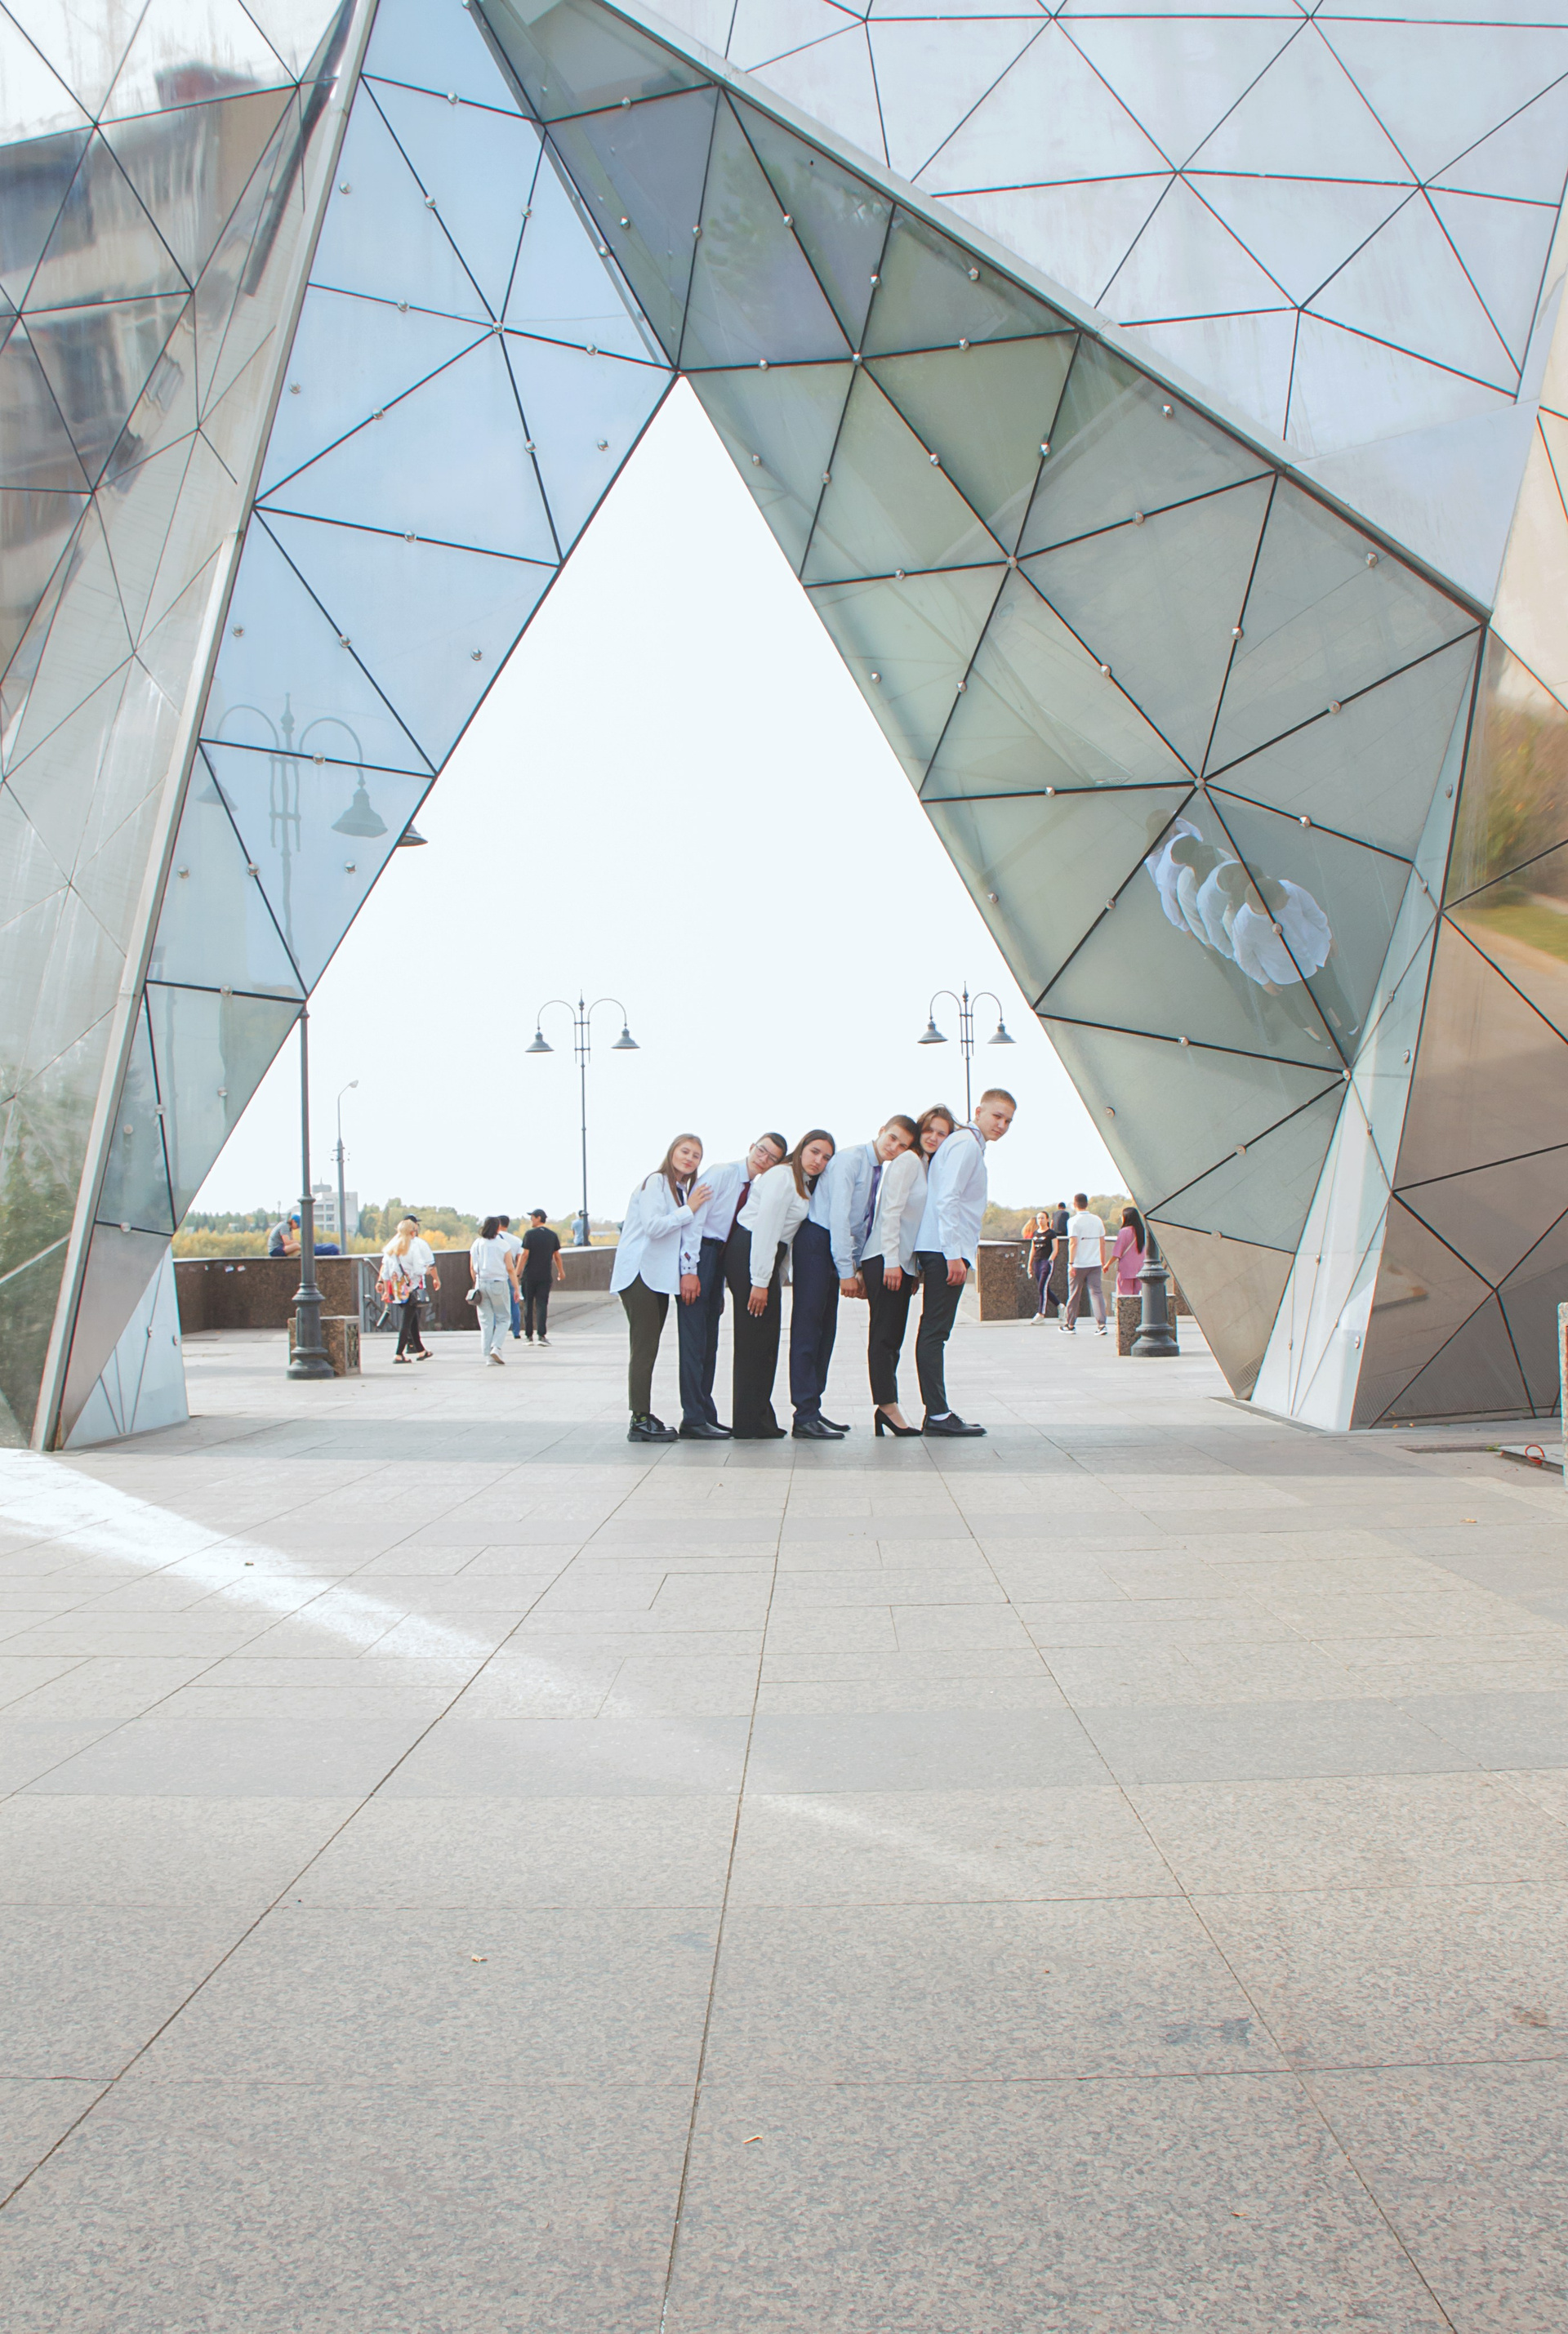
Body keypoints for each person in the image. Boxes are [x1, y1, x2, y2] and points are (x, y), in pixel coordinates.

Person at [790, 1115, 916, 1440]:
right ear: (881, 1131)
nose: (895, 1147)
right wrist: (847, 1271)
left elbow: (861, 1222)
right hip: (817, 1241)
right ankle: (804, 1415)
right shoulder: (850, 1160)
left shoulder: (877, 1169)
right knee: (808, 1329)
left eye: (903, 1146)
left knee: (826, 1331)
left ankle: (813, 1409)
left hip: (834, 1246)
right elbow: (839, 1217)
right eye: (892, 1138)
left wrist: (855, 1266)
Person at [912, 1088, 1017, 1434]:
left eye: (1008, 1121)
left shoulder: (966, 1144)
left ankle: (937, 1412)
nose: (1001, 1125)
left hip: (943, 1248)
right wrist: (953, 1254)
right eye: (997, 1116)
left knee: (934, 1331)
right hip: (945, 1251)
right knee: (935, 1332)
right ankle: (938, 1415)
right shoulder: (967, 1145)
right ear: (978, 1111)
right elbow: (948, 1199)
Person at [677, 1130, 787, 1439]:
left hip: (719, 1259)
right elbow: (695, 1220)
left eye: (772, 1158)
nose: (764, 1159)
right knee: (694, 1341)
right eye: (762, 1151)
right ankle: (693, 1418)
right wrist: (689, 1270)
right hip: (701, 1254)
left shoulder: (757, 1188)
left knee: (709, 1342)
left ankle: (706, 1414)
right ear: (752, 1147)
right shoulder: (722, 1173)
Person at [726, 1129, 835, 1440]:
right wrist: (760, 1282)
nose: (819, 1160)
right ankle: (748, 1423)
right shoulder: (782, 1177)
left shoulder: (801, 1182)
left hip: (766, 1258)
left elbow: (784, 1239)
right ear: (801, 1149)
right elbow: (766, 1228)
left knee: (765, 1341)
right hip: (751, 1253)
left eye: (826, 1157)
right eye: (814, 1152)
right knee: (754, 1339)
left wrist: (776, 1275)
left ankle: (759, 1417)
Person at [611, 1135, 711, 1443]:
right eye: (685, 1151)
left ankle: (643, 1414)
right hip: (640, 1274)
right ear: (672, 1152)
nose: (689, 1158)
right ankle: (639, 1420)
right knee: (644, 1348)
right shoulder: (655, 1182)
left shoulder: (680, 1190)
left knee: (649, 1347)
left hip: (657, 1279)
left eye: (696, 1155)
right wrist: (690, 1209)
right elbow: (653, 1227)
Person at [865, 1104, 952, 1434]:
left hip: (901, 1263)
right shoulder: (908, 1161)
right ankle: (887, 1408)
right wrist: (892, 1262)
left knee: (893, 1337)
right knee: (884, 1337)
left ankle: (887, 1408)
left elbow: (917, 1224)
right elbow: (891, 1212)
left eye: (941, 1133)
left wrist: (911, 1269)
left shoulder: (926, 1165)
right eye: (929, 1130)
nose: (933, 1137)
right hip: (885, 1258)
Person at [379, 1214, 439, 1363]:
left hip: (397, 1291)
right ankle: (398, 1354)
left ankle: (421, 1351)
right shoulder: (413, 1247)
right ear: (412, 1232)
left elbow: (385, 1273)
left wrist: (386, 1290)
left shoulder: (390, 1248)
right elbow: (418, 1269)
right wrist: (427, 1271)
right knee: (406, 1322)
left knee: (412, 1321)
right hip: (411, 1289)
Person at [470, 1214, 519, 1365]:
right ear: (498, 1228)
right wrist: (516, 1288)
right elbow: (510, 1269)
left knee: (486, 1321)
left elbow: (472, 1267)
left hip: (481, 1283)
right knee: (504, 1318)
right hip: (498, 1283)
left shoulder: (477, 1244)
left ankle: (488, 1357)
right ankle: (496, 1347)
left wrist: (476, 1283)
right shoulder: (503, 1245)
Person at [1061, 1191, 1108, 1335]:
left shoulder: (1073, 1221)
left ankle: (1070, 1324)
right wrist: (1102, 1261)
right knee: (1096, 1293)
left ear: (1075, 1205)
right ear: (1087, 1204)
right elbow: (1102, 1242)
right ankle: (1102, 1325)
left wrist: (1071, 1263)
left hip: (1078, 1264)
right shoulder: (1097, 1220)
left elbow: (1073, 1243)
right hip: (1095, 1263)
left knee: (1074, 1294)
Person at [519, 1209, 564, 1344]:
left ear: (538, 1218)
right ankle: (541, 1335)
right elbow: (557, 1256)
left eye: (532, 1217)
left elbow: (525, 1255)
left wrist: (517, 1272)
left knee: (528, 1305)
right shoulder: (552, 1235)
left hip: (529, 1275)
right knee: (542, 1304)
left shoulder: (529, 1234)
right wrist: (561, 1271)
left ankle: (528, 1336)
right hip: (545, 1275)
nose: (531, 1220)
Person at [1113, 1204, 1147, 1354]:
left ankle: (1126, 1326)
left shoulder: (1124, 1231)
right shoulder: (1142, 1231)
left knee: (1125, 1297)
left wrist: (1107, 1265)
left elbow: (1117, 1252)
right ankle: (1137, 1322)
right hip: (1140, 1268)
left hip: (1126, 1269)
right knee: (1137, 1297)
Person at [1022, 1205, 1054, 1321]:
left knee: (1042, 1287)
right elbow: (1033, 1249)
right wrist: (1029, 1265)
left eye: (1042, 1218)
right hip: (1037, 1262)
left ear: (1047, 1219)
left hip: (1046, 1261)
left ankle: (1041, 1313)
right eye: (1038, 1218)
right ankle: (1060, 1306)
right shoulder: (1036, 1234)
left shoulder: (1051, 1234)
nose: (1040, 1220)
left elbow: (1055, 1249)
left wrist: (1050, 1260)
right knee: (1044, 1288)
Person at [496, 1214, 523, 1340]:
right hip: (511, 1275)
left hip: (496, 1275)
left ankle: (496, 1330)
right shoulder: (516, 1240)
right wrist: (516, 1274)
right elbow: (520, 1259)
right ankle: (516, 1331)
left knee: (496, 1305)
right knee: (514, 1303)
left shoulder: (493, 1239)